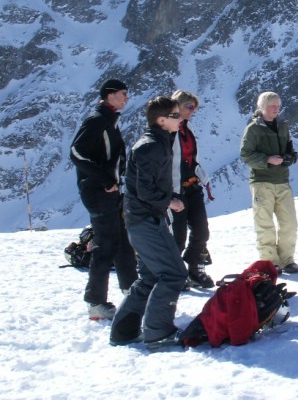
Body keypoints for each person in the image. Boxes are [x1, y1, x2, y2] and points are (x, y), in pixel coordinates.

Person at [109, 96, 188, 349]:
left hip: (142, 217)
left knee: (151, 276)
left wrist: (167, 198)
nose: (180, 119)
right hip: (145, 219)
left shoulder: (159, 141)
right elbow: (144, 191)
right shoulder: (150, 146)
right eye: (175, 115)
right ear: (162, 120)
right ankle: (158, 333)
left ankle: (124, 331)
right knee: (174, 273)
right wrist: (170, 202)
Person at [70, 78, 137, 321]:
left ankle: (132, 291)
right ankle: (96, 302)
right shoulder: (97, 120)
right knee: (105, 244)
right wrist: (106, 179)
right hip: (98, 192)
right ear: (109, 96)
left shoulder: (109, 120)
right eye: (123, 94)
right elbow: (76, 153)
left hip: (109, 192)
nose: (126, 98)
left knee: (121, 241)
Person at [240, 91, 298, 274]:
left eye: (277, 105)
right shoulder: (253, 129)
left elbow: (291, 150)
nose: (276, 109)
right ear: (262, 107)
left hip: (282, 180)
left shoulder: (282, 126)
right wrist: (267, 159)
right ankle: (269, 262)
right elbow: (246, 155)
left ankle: (287, 259)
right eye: (272, 106)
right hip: (261, 182)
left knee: (289, 223)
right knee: (264, 223)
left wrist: (290, 158)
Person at [170, 90, 215, 289]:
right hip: (175, 189)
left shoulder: (187, 129)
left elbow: (191, 159)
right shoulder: (168, 131)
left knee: (201, 230)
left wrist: (202, 177)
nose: (192, 111)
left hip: (192, 185)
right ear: (178, 105)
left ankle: (193, 267)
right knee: (178, 236)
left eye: (194, 108)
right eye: (189, 107)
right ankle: (174, 273)